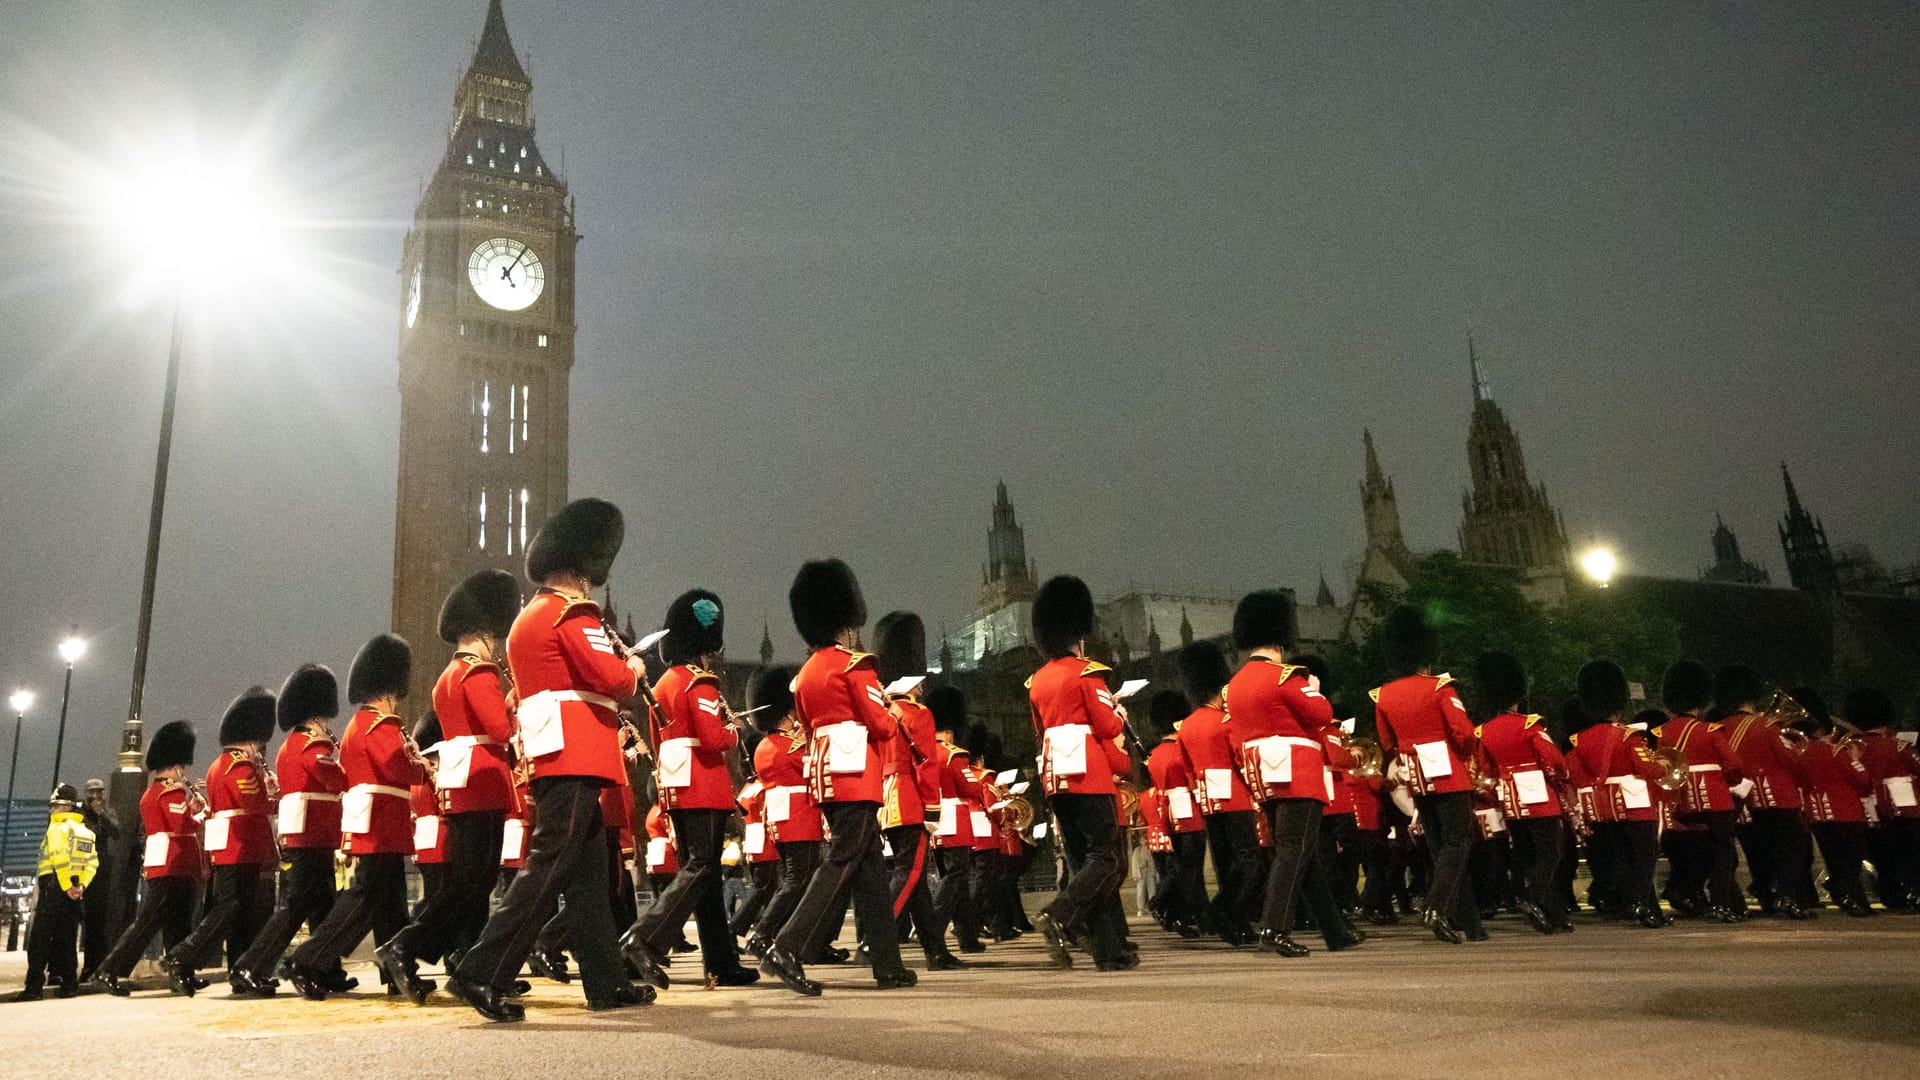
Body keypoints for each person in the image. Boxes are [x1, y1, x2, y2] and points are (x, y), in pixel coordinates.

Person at [451, 497, 650, 1020]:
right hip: (577, 751)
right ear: (581, 567)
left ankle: (606, 983)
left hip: (556, 752)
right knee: (548, 868)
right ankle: (480, 971)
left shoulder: (528, 618)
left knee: (587, 884)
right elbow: (611, 681)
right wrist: (633, 668)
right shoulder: (571, 612)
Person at [759, 559, 915, 995]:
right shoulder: (853, 665)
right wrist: (893, 709)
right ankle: (787, 945)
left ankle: (888, 963)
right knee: (843, 861)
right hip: (855, 777)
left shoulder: (805, 674)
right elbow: (881, 726)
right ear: (847, 619)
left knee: (868, 875)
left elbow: (808, 731)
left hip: (827, 777)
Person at [380, 570, 521, 998]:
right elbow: (499, 728)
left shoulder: (448, 676)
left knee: (468, 883)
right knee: (471, 883)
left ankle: (452, 959)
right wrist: (515, 705)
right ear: (483, 631)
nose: (498, 644)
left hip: (463, 784)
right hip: (483, 781)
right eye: (495, 636)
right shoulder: (478, 673)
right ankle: (405, 946)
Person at [619, 588, 758, 989]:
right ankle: (644, 937)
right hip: (704, 785)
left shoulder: (663, 685)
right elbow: (715, 739)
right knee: (701, 868)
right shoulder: (699, 683)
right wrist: (735, 731)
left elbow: (658, 740)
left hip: (678, 788)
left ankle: (720, 963)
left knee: (707, 880)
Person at [287, 634, 427, 999]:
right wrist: (422, 768)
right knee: (362, 901)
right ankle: (307, 959)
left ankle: (399, 973)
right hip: (380, 825)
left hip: (382, 824)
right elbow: (396, 767)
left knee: (392, 906)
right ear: (389, 688)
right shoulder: (379, 723)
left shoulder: (363, 723)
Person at [1227, 590, 1359, 957]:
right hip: (1297, 774)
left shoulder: (1234, 685)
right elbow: (1321, 714)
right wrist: (1314, 690)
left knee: (1305, 854)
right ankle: (1274, 927)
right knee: (1293, 851)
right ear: (1280, 638)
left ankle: (1336, 931)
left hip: (1263, 776)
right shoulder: (1286, 677)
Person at [1026, 575, 1133, 972]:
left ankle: (1107, 949)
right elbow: (1107, 727)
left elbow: (1039, 731)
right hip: (1088, 773)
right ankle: (1059, 913)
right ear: (1078, 632)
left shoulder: (1037, 680)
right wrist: (1119, 714)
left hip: (1055, 775)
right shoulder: (1087, 673)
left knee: (1082, 860)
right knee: (1106, 855)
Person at [231, 664, 351, 996]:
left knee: (323, 906)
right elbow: (336, 779)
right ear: (316, 715)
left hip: (313, 833)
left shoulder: (294, 743)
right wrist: (344, 761)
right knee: (296, 907)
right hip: (312, 833)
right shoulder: (312, 744)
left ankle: (326, 967)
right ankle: (249, 966)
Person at [1371, 606, 1481, 944]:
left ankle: (1471, 924)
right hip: (1449, 773)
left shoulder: (1383, 694)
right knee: (1459, 841)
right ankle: (1436, 906)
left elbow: (1387, 741)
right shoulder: (1440, 688)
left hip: (1417, 776)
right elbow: (1463, 735)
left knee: (1440, 848)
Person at [161, 687, 278, 995]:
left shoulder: (219, 764)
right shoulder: (240, 765)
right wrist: (273, 793)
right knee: (230, 910)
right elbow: (254, 804)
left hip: (233, 846)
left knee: (239, 913)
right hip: (242, 846)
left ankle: (241, 970)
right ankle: (182, 956)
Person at [874, 611, 962, 971]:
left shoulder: (881, 712)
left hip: (886, 799)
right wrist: (931, 811)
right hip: (911, 800)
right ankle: (876, 938)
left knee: (918, 883)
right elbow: (927, 766)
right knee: (909, 875)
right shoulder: (920, 715)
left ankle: (935, 950)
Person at [93, 722, 204, 996]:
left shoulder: (153, 792)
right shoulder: (171, 791)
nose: (185, 772)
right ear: (177, 765)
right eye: (183, 767)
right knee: (148, 923)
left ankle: (181, 973)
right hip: (173, 863)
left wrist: (190, 809)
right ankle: (109, 970)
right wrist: (201, 814)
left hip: (166, 862)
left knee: (177, 924)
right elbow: (181, 826)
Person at [1471, 650, 1569, 934]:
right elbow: (1553, 760)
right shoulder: (1530, 725)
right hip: (1540, 799)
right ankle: (1535, 897)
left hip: (1511, 801)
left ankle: (1555, 915)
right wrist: (1560, 779)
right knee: (1551, 854)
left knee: (1527, 857)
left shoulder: (1484, 731)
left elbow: (1486, 770)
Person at [1567, 660, 1668, 928]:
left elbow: (1575, 773)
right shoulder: (1628, 736)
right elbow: (1647, 768)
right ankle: (1639, 902)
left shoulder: (1581, 738)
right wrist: (1663, 765)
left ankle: (1648, 908)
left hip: (1605, 807)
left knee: (1623, 857)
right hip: (1634, 803)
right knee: (1645, 857)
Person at [1175, 641, 1263, 945]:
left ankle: (1234, 926)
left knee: (1226, 862)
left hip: (1207, 800)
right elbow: (1242, 758)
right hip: (1236, 796)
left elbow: (1187, 770)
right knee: (1251, 859)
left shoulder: (1185, 726)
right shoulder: (1226, 720)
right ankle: (1225, 908)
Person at [1717, 665, 1813, 919]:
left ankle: (1766, 894)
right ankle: (1787, 897)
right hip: (1777, 797)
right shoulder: (1766, 725)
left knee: (1758, 853)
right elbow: (1791, 759)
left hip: (1742, 801)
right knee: (1792, 850)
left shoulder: (1719, 727)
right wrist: (1801, 746)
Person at [1652, 660, 1745, 923]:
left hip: (1681, 798)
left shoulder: (1662, 732)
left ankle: (1688, 893)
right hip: (1714, 797)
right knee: (1723, 853)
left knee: (1695, 849)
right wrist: (1728, 779)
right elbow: (1735, 764)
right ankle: (1720, 903)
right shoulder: (1709, 730)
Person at [742, 665, 821, 959]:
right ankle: (764, 935)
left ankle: (772, 935)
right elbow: (812, 768)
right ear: (787, 714)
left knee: (792, 880)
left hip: (782, 820)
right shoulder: (789, 747)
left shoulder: (765, 745)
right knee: (798, 881)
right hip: (800, 819)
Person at [14, 784, 99, 1000]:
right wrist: (80, 886)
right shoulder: (85, 832)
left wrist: (66, 885)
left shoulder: (58, 829)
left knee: (40, 939)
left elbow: (60, 859)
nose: (51, 810)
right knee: (67, 939)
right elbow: (92, 863)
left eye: (54, 806)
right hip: (76, 892)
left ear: (65, 806)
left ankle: (33, 987)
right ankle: (69, 984)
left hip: (54, 887)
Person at [1799, 695, 1874, 915]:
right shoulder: (1836, 751)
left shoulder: (1801, 751)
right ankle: (1853, 898)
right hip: (1846, 813)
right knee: (1852, 860)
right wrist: (1857, 759)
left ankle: (1845, 895)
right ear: (1821, 730)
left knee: (1834, 859)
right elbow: (1863, 782)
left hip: (1819, 814)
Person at [1849, 688, 1920, 910]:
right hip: (1906, 812)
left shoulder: (1853, 748)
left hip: (1871, 812)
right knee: (1911, 858)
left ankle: (1891, 894)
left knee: (1883, 859)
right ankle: (1913, 893)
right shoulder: (1900, 746)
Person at [1144, 690, 1206, 936]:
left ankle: (1182, 915)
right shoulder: (1178, 751)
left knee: (1184, 869)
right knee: (1188, 871)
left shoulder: (1156, 753)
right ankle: (1163, 903)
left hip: (1170, 816)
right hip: (1188, 814)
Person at [76, 779, 119, 985]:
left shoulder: (107, 812)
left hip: (100, 870)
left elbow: (116, 832)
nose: (97, 796)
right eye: (93, 792)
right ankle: (76, 967)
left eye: (100, 792)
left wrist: (101, 814)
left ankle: (95, 967)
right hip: (80, 869)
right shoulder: (79, 814)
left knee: (97, 922)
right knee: (78, 920)